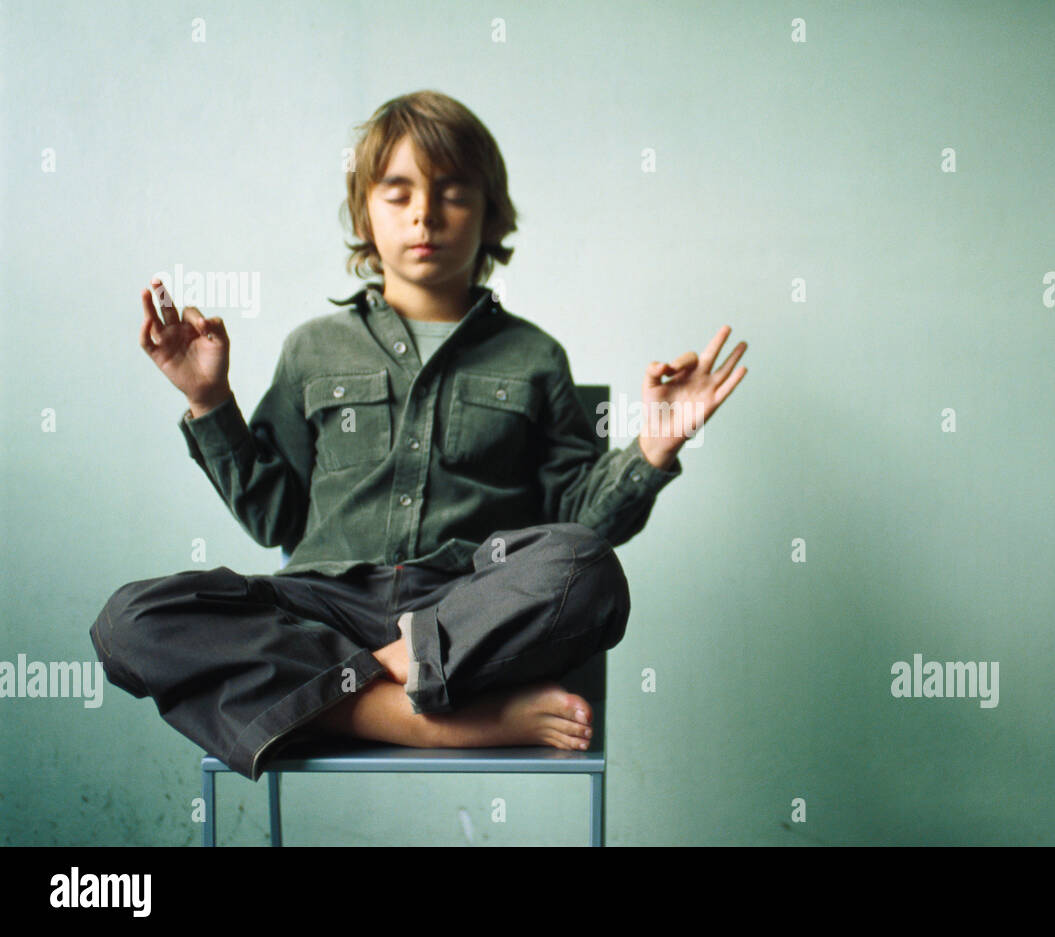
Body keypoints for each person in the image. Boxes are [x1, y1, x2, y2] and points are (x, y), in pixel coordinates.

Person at [90, 90, 747, 782]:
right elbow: (275, 516)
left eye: (453, 194)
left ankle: (364, 686)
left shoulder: (535, 356)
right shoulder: (313, 348)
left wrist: (655, 444)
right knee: (132, 619)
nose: (424, 215)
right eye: (397, 193)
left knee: (589, 569)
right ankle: (432, 721)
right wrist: (209, 399)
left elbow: (577, 522)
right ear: (363, 212)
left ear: (489, 214)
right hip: (327, 605)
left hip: (468, 606)